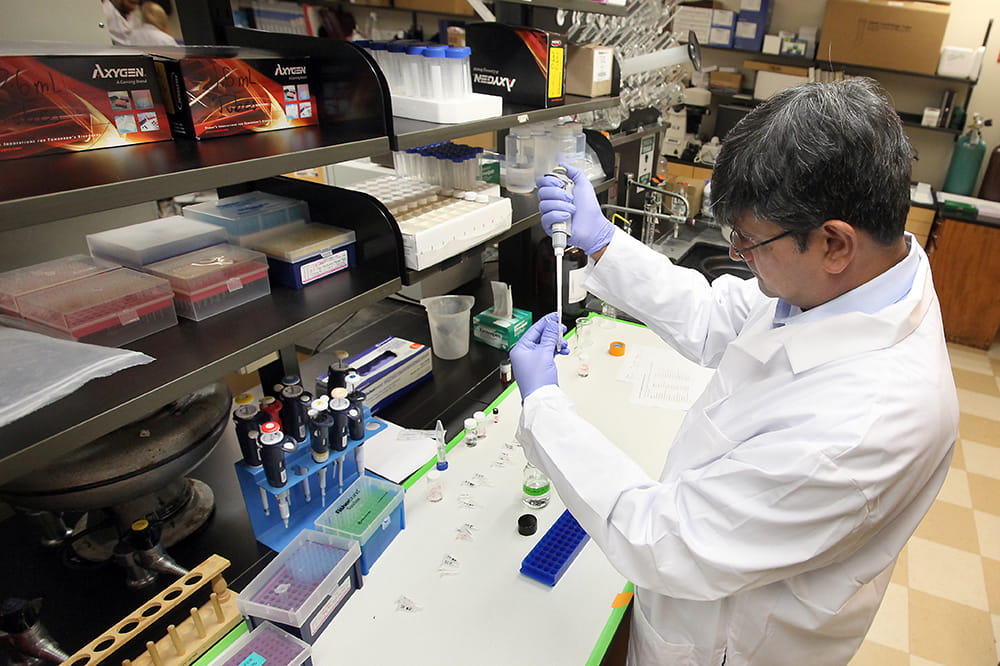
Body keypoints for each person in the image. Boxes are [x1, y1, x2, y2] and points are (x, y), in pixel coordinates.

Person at [509, 78, 959, 666]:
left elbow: (663, 540)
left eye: (747, 242)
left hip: (728, 642)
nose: (739, 256)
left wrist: (543, 407)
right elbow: (718, 315)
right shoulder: (858, 284)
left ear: (834, 244)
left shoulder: (862, 428)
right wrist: (603, 244)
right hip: (706, 590)